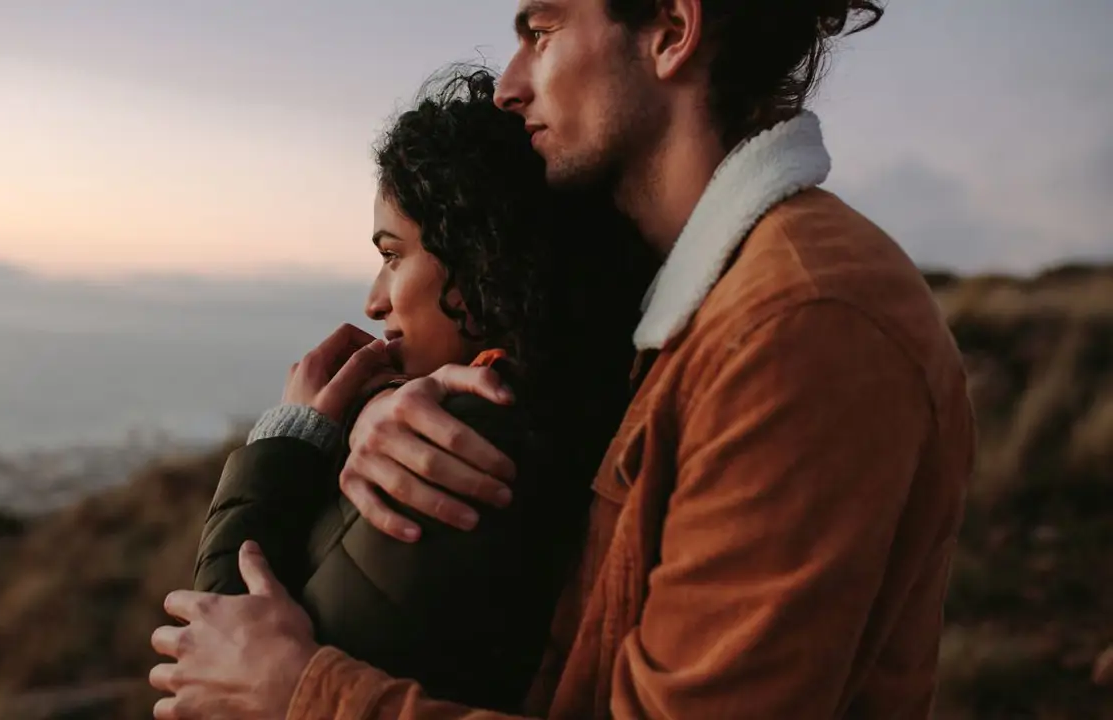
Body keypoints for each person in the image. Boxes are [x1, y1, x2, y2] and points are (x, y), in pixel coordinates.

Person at [149, 1, 978, 718]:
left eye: (542, 30)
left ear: (671, 31)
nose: (511, 86)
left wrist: (305, 697)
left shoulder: (801, 327)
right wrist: (389, 405)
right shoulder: (695, 307)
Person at [187, 68, 656, 713]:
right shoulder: (568, 400)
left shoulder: (466, 440)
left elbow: (216, 653)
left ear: (482, 258)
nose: (374, 300)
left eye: (393, 255)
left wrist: (288, 437)